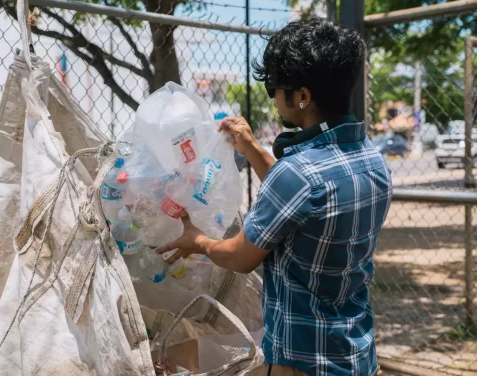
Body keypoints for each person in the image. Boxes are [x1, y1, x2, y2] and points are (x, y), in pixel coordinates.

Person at [156, 19, 392, 376]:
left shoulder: (297, 175)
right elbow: (303, 200)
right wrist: (251, 147)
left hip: (302, 360)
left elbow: (239, 257)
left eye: (276, 89)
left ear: (302, 96)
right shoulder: (372, 162)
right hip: (356, 353)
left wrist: (199, 241)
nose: (275, 99)